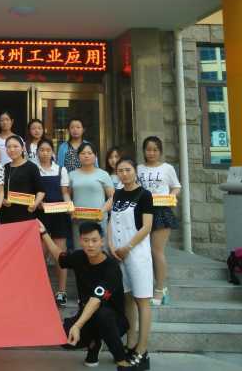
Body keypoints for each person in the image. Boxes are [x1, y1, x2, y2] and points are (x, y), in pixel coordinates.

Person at [37, 220, 139, 370]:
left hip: (114, 321)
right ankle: (94, 343)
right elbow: (59, 256)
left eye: (94, 240)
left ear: (102, 241)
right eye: (86, 240)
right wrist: (44, 233)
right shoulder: (79, 257)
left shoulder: (111, 268)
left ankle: (121, 360)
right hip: (87, 315)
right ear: (80, 241)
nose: (90, 245)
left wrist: (77, 326)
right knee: (63, 337)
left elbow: (96, 300)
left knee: (102, 314)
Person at [109, 157, 154, 370]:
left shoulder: (144, 195)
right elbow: (111, 220)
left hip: (137, 254)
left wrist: (127, 247)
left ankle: (142, 351)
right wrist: (111, 246)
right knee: (127, 299)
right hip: (119, 255)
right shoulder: (117, 194)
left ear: (135, 171)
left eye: (127, 170)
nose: (124, 174)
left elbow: (147, 227)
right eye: (120, 170)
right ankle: (130, 344)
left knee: (142, 300)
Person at [137, 136, 181, 306]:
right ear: (144, 151)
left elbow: (176, 186)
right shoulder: (138, 168)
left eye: (155, 150)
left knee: (157, 251)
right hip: (142, 212)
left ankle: (160, 289)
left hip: (161, 211)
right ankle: (147, 287)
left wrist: (171, 196)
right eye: (148, 149)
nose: (151, 153)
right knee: (143, 252)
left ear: (160, 151)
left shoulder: (167, 168)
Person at [36, 138, 71, 306]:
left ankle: (62, 291)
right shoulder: (33, 169)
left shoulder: (61, 170)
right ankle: (40, 291)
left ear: (52, 152)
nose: (45, 153)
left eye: (48, 150)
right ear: (37, 152)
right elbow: (32, 193)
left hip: (59, 214)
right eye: (42, 150)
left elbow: (65, 193)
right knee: (40, 255)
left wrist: (69, 205)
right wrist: (38, 203)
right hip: (40, 215)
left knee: (60, 254)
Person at [68, 143, 115, 245]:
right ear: (78, 156)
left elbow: (113, 197)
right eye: (83, 153)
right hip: (78, 221)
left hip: (98, 220)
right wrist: (71, 211)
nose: (86, 156)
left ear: (95, 156)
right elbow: (67, 196)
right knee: (80, 249)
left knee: (99, 249)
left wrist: (102, 211)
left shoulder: (103, 174)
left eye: (90, 153)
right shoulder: (71, 175)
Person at [0, 135, 44, 224]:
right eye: (9, 147)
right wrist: (2, 200)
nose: (12, 149)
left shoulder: (32, 167)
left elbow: (41, 191)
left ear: (23, 148)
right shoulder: (5, 167)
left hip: (27, 213)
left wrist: (35, 204)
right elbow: (0, 190)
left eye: (15, 146)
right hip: (7, 214)